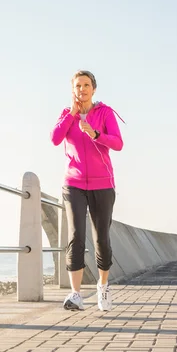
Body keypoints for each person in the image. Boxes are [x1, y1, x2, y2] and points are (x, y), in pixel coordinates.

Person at [50, 70, 124, 312]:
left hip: (103, 183)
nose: (81, 89)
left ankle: (103, 288)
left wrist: (95, 134)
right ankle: (76, 294)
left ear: (93, 89)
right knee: (76, 236)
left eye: (86, 85)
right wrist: (71, 115)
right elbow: (55, 138)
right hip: (74, 183)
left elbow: (118, 143)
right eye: (77, 86)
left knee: (101, 238)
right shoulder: (66, 115)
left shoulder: (104, 113)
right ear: (73, 90)